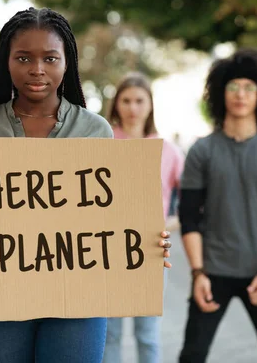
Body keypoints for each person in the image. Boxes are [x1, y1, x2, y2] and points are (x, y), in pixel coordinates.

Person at [0, 7, 172, 363]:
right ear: (6, 62)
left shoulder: (96, 130)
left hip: (79, 300)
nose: (37, 69)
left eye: (50, 58)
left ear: (67, 62)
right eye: (24, 57)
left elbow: (110, 217)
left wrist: (145, 240)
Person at [178, 48, 257, 363]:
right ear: (221, 93)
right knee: (192, 355)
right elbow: (189, 217)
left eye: (249, 87)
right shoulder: (202, 151)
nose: (241, 95)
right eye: (233, 87)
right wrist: (197, 273)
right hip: (213, 272)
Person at [103, 72, 184, 363]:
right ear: (116, 104)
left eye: (139, 100)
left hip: (150, 252)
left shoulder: (167, 149)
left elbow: (191, 207)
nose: (132, 107)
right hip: (106, 251)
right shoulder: (102, 142)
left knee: (147, 334)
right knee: (108, 334)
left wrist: (164, 227)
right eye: (126, 100)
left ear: (150, 104)